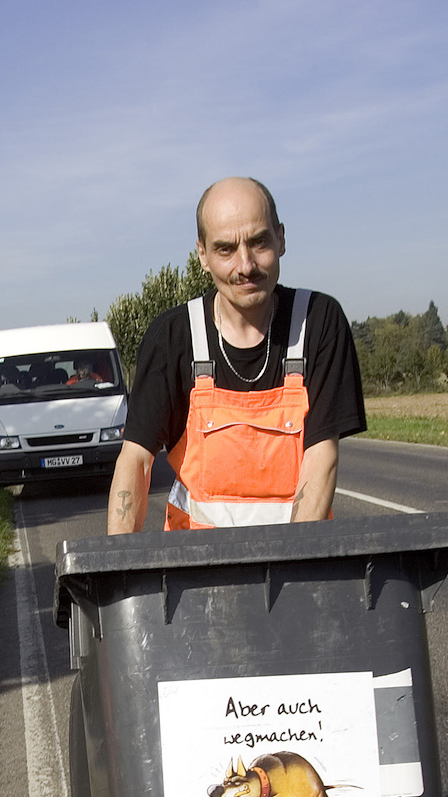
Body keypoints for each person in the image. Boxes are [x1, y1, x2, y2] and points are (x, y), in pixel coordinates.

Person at [106, 177, 365, 533]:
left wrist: (293, 568)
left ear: (282, 238)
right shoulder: (172, 337)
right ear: (203, 255)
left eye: (259, 242)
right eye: (226, 249)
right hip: (190, 574)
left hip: (294, 569)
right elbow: (136, 461)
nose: (245, 265)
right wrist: (119, 574)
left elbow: (321, 457)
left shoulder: (318, 322)